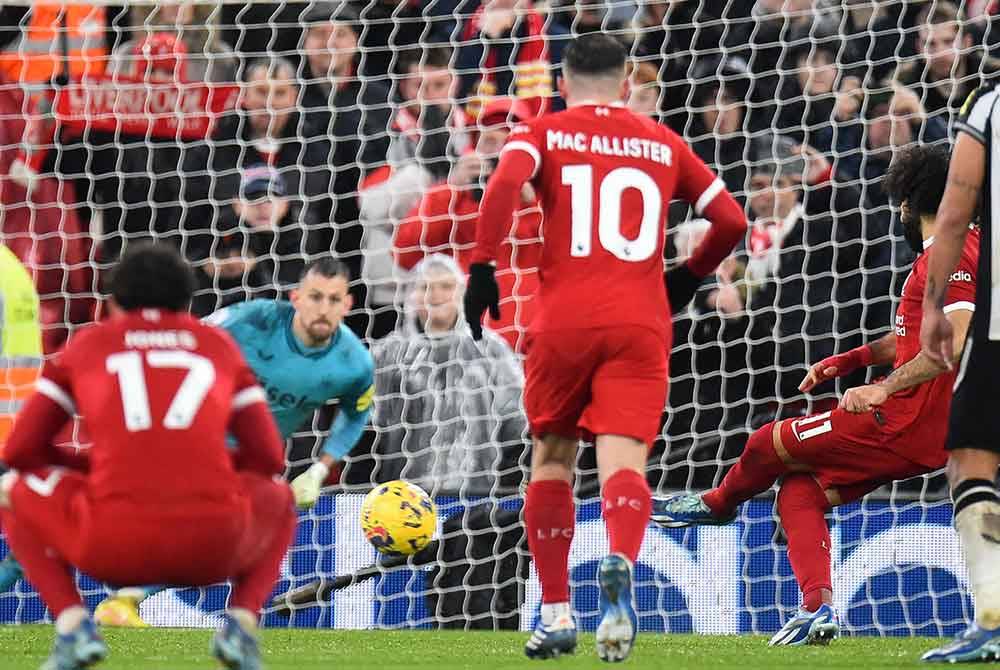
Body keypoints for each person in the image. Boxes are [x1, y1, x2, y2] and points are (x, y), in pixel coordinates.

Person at [464, 34, 747, 662]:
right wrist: (688, 276)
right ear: (624, 84)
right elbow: (731, 220)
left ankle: (557, 612)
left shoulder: (544, 131)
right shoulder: (662, 141)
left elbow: (506, 181)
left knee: (554, 460)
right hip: (640, 320)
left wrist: (483, 268)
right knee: (624, 465)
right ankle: (619, 558)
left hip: (563, 318)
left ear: (564, 82)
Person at [653, 142, 979, 648]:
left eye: (900, 202)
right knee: (796, 491)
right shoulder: (963, 249)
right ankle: (816, 609)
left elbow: (951, 342)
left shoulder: (951, 255)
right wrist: (851, 361)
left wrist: (881, 387)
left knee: (767, 442)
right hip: (924, 426)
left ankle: (719, 502)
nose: (897, 213)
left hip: (906, 419)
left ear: (911, 202)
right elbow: (918, 335)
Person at [0, 243, 295, 670]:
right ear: (188, 301)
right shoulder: (219, 346)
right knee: (279, 494)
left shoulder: (89, 344)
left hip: (110, 546)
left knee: (16, 487)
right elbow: (269, 458)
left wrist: (90, 468)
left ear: (113, 302)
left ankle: (72, 625)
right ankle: (241, 625)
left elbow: (21, 451)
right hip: (211, 549)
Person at [93, 257, 375, 628]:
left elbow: (357, 415)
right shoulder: (255, 320)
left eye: (334, 300)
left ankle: (124, 597)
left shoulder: (353, 364)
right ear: (296, 297)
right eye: (315, 297)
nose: (324, 309)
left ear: (348, 304)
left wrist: (320, 469)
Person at [919, 85, 1000, 662]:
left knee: (972, 455)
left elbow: (954, 209)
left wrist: (932, 304)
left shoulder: (991, 107)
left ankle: (993, 614)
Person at [365, 255, 527, 497]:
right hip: (400, 500)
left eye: (446, 286)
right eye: (425, 287)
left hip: (478, 498)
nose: (435, 294)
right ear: (411, 295)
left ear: (462, 293)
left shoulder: (490, 349)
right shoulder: (387, 353)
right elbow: (365, 423)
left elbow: (517, 421)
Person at [393, 97, 543, 352]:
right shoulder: (454, 196)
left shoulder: (544, 194)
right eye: (488, 141)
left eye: (507, 142)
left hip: (527, 343)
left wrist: (531, 203)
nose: (497, 154)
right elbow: (405, 253)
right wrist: (453, 187)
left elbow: (567, 259)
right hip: (458, 344)